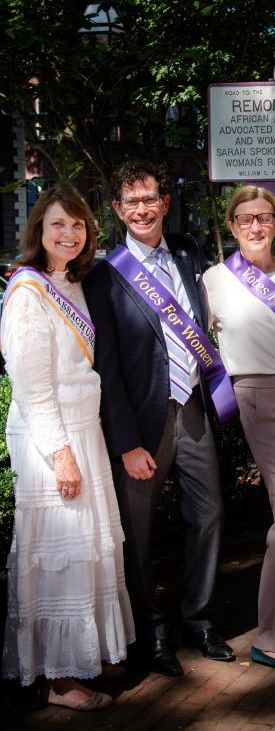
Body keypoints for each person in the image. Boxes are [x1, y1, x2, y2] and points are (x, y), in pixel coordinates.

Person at [83, 161, 239, 677]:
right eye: (132, 202)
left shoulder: (190, 251)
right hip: (143, 423)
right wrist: (125, 442)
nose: (143, 209)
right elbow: (105, 366)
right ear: (117, 209)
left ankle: (199, 622)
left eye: (151, 198)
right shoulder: (105, 274)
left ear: (165, 202)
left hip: (192, 406)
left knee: (209, 515)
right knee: (139, 532)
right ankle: (151, 631)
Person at [1, 185, 134, 709]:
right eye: (58, 224)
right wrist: (59, 454)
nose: (69, 234)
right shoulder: (28, 291)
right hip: (51, 435)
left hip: (86, 429)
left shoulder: (71, 284)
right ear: (39, 230)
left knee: (89, 550)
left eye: (77, 225)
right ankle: (58, 677)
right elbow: (32, 386)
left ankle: (89, 654)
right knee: (60, 555)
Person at [203, 185, 275, 673]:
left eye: (264, 217)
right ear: (232, 226)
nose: (256, 226)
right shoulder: (213, 280)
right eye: (245, 218)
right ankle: (272, 636)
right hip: (262, 397)